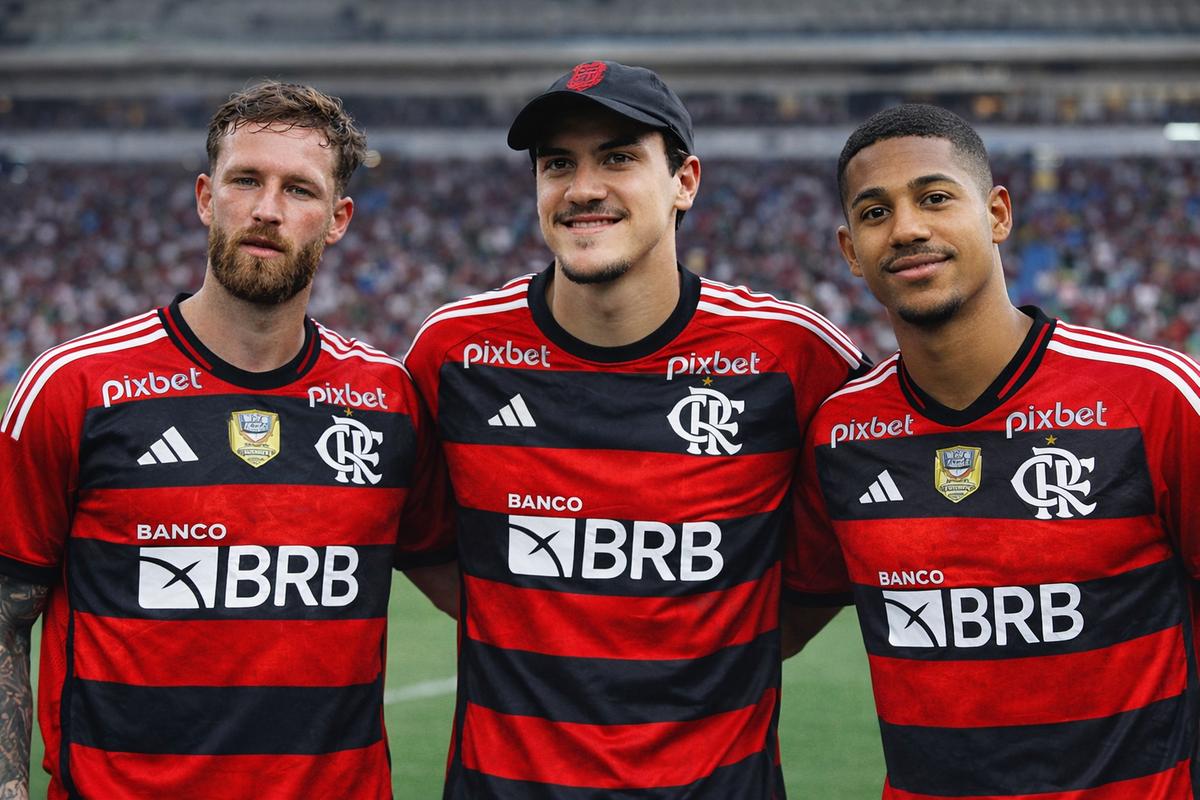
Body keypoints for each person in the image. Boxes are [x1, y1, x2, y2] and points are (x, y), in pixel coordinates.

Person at [403, 60, 867, 797]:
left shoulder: (795, 353)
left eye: (618, 157)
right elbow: (421, 542)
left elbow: (851, 536)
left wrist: (713, 643)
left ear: (685, 182)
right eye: (559, 164)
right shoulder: (452, 352)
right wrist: (547, 622)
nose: (583, 187)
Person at [0, 81, 453, 799]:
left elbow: (478, 586)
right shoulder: (75, 386)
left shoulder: (387, 401)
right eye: (248, 180)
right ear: (207, 197)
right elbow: (5, 610)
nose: (268, 209)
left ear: (338, 219)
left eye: (299, 190)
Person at [789, 103, 1200, 798]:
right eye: (875, 211)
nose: (909, 228)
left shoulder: (1151, 397)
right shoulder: (840, 433)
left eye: (935, 198)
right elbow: (767, 623)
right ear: (850, 251)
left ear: (998, 214)